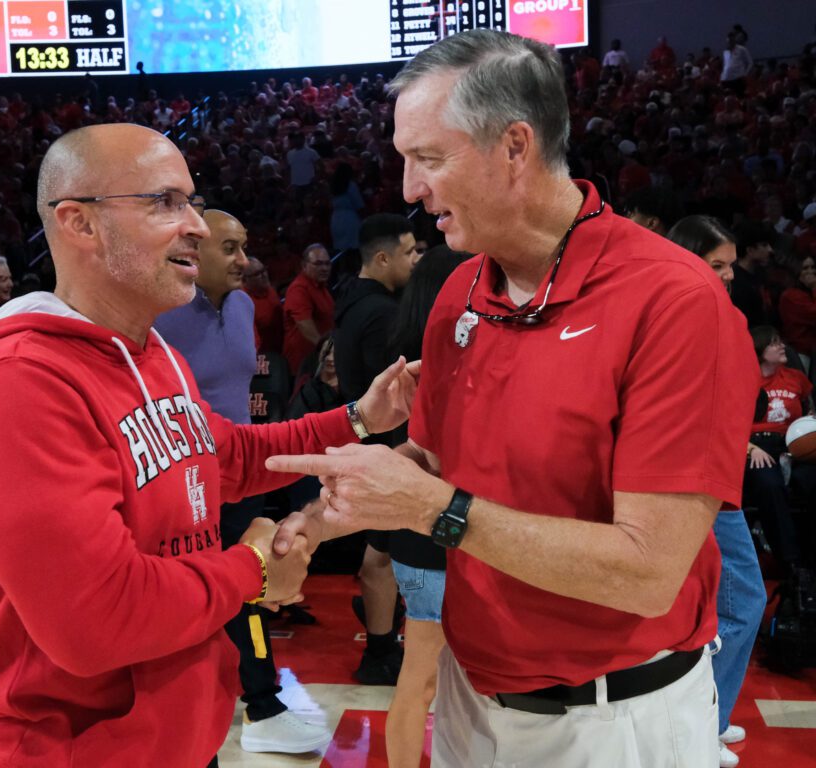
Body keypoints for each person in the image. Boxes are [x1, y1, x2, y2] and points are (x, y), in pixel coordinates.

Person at [268, 30, 756, 768]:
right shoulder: (460, 289)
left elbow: (649, 572)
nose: (407, 189)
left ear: (514, 147)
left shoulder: (673, 301)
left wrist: (435, 511)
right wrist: (314, 519)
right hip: (471, 697)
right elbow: (430, 457)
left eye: (427, 158)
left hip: (612, 722)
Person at [0, 123, 417, 768]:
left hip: (179, 738)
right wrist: (253, 571)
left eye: (191, 200)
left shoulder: (153, 350)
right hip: (71, 751)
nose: (194, 222)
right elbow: (95, 620)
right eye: (165, 202)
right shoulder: (18, 381)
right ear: (79, 223)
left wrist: (361, 417)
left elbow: (226, 460)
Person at [155, 209, 330, 755]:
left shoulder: (241, 307)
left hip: (237, 469)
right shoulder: (159, 314)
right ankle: (257, 703)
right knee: (219, 590)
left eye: (244, 246)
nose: (244, 260)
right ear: (194, 251)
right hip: (183, 481)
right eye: (229, 248)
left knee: (249, 586)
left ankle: (259, 704)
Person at [668, 214, 766, 768]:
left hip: (715, 482)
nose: (727, 276)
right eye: (717, 265)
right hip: (700, 487)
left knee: (715, 606)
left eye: (730, 266)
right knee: (740, 601)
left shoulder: (717, 313)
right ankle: (707, 719)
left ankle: (708, 716)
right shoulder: (688, 316)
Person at [383, 245, 470, 768]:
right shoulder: (439, 358)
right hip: (433, 527)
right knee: (422, 681)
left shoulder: (399, 339)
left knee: (429, 681)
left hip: (421, 529)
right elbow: (433, 456)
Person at [334, 213, 418, 685]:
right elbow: (393, 399)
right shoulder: (383, 313)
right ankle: (381, 647)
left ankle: (381, 641)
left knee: (377, 554)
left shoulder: (351, 303)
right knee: (380, 556)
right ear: (382, 258)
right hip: (383, 446)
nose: (415, 260)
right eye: (409, 252)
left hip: (364, 441)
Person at [744, 325, 816, 571]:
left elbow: (809, 411)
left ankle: (810, 556)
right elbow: (727, 425)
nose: (782, 346)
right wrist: (751, 449)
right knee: (769, 483)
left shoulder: (796, 379)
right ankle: (791, 562)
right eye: (775, 343)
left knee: (809, 480)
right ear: (761, 350)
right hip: (756, 445)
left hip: (793, 443)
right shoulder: (745, 380)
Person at [282, 243, 333, 375]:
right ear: (304, 265)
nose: (324, 268)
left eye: (327, 263)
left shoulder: (321, 286)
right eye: (318, 264)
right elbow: (304, 325)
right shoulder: (299, 289)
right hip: (304, 363)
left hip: (318, 358)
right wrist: (327, 349)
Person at [243, 257, 282, 353]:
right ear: (244, 280)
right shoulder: (242, 301)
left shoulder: (270, 290)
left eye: (264, 270)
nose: (264, 275)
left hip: (279, 348)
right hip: (261, 355)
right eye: (257, 274)